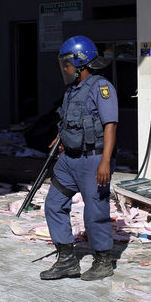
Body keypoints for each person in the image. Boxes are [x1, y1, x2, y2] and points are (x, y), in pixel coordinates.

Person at [41, 35, 118, 282]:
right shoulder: (72, 90)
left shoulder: (101, 87)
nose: (65, 69)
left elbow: (110, 126)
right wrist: (61, 137)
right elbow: (72, 121)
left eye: (68, 64)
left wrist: (105, 162)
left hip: (92, 160)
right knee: (53, 204)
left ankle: (103, 261)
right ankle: (66, 261)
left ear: (82, 63)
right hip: (68, 161)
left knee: (94, 212)